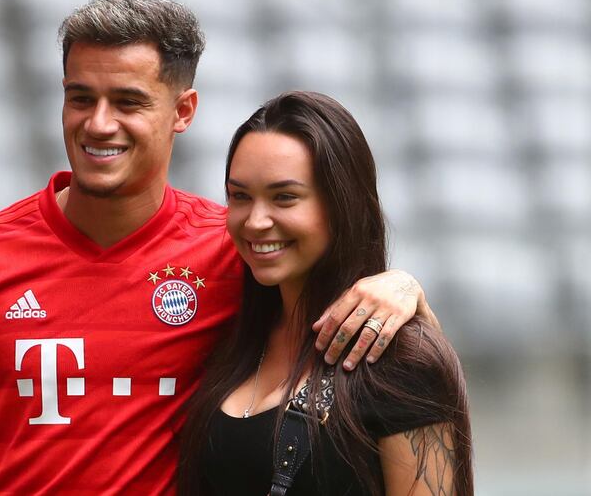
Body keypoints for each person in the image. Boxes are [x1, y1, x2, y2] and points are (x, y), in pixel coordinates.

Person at [0, 0, 439, 495]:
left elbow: (350, 316)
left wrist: (404, 285)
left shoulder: (236, 251)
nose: (99, 124)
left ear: (182, 112)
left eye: (127, 102)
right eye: (81, 98)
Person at [178, 91, 473, 495]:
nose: (256, 221)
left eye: (285, 197)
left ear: (342, 205)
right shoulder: (226, 329)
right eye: (240, 196)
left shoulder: (399, 360)